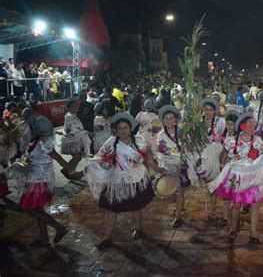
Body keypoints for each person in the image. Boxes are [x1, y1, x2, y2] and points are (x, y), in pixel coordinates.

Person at [69, 113, 159, 250]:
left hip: (136, 179)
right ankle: (107, 237)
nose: (123, 131)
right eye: (120, 128)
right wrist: (100, 164)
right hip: (116, 180)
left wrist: (156, 168)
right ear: (116, 131)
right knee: (111, 210)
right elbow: (98, 158)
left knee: (136, 207)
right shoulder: (111, 142)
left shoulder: (139, 141)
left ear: (130, 129)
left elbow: (147, 157)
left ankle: (138, 229)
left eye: (125, 128)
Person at [209, 113, 263, 244]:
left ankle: (253, 233)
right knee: (237, 204)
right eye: (249, 124)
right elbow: (225, 153)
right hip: (237, 176)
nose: (252, 127)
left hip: (254, 177)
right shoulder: (231, 140)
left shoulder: (257, 140)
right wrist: (222, 167)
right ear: (242, 126)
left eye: (253, 125)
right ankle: (233, 228)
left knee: (255, 205)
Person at [6, 116, 70, 247]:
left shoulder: (43, 143)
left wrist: (70, 169)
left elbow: (57, 157)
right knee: (38, 209)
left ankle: (60, 228)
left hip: (39, 181)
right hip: (36, 178)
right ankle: (44, 238)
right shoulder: (36, 140)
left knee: (30, 209)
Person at [156, 105, 193, 228]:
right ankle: (179, 208)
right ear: (163, 120)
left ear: (175, 119)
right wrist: (176, 151)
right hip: (169, 166)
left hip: (181, 165)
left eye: (171, 118)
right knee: (174, 191)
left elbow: (189, 148)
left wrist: (186, 140)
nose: (169, 121)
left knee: (179, 191)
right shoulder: (161, 135)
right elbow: (161, 151)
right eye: (166, 119)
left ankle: (178, 217)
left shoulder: (182, 131)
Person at [198, 97, 226, 219]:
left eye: (210, 110)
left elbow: (225, 137)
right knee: (206, 180)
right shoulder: (199, 122)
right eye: (206, 110)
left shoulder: (220, 122)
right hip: (203, 155)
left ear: (215, 111)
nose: (208, 112)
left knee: (213, 182)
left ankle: (212, 209)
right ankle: (211, 204)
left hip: (216, 154)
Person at [61, 99, 92, 173]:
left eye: (77, 106)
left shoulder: (73, 115)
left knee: (78, 157)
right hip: (71, 140)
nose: (77, 107)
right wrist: (85, 132)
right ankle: (68, 171)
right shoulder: (69, 116)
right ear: (71, 108)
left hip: (75, 139)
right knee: (77, 157)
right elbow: (72, 130)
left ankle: (70, 171)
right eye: (75, 106)